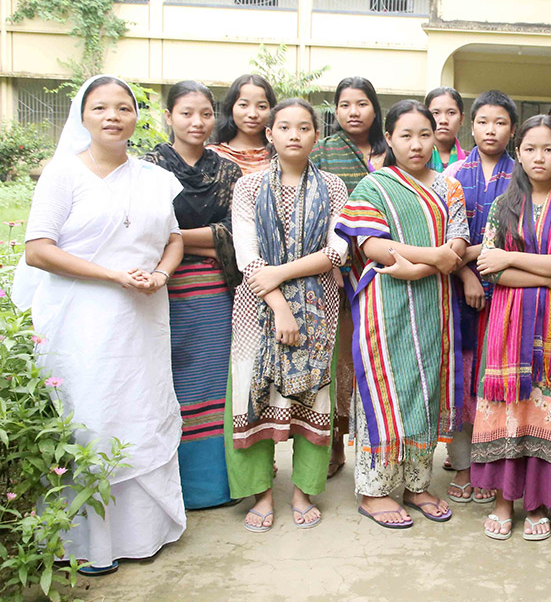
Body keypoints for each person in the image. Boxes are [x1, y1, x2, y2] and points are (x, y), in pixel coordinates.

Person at [14, 75, 186, 575]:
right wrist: (113, 274)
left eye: (124, 108)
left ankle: (146, 532)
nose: (113, 116)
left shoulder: (154, 177)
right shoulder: (63, 174)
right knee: (90, 417)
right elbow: (38, 250)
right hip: (81, 319)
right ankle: (88, 542)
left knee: (139, 410)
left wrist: (160, 273)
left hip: (143, 314)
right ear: (83, 116)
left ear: (137, 117)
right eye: (100, 108)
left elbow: (173, 238)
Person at [336, 100, 470, 529]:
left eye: (425, 135)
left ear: (437, 138)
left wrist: (422, 266)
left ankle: (416, 483)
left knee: (424, 388)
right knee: (384, 389)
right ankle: (374, 490)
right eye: (406, 136)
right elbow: (372, 247)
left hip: (433, 305)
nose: (416, 145)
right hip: (385, 305)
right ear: (388, 139)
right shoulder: (373, 187)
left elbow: (458, 247)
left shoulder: (449, 187)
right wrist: (432, 257)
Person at [224, 98, 349, 533]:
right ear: (270, 133)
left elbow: (338, 251)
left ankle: (303, 490)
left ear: (316, 135)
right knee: (251, 395)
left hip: (320, 307)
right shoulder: (249, 186)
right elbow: (246, 254)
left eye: (304, 127)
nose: (294, 134)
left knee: (313, 396)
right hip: (256, 307)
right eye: (284, 127)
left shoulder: (334, 187)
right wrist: (279, 305)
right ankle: (260, 492)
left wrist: (283, 272)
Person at [471, 114, 551, 542]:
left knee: (546, 407)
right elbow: (488, 267)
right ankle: (504, 500)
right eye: (531, 149)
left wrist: (511, 258)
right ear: (518, 153)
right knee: (508, 410)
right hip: (507, 323)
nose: (539, 157)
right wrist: (548, 279)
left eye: (550, 149)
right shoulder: (505, 204)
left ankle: (537, 502)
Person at [143, 81, 243, 510]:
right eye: (186, 113)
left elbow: (238, 235)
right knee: (165, 384)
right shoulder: (147, 169)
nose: (197, 122)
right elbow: (144, 233)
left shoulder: (227, 171)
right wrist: (189, 241)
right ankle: (166, 487)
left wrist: (176, 238)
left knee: (214, 386)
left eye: (205, 113)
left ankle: (213, 486)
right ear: (168, 117)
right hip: (158, 292)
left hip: (215, 294)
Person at [441, 90, 517, 505]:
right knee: (461, 381)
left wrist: (482, 264)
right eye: (484, 121)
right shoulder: (452, 174)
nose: (491, 129)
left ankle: (492, 468)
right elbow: (443, 240)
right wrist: (468, 272)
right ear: (471, 125)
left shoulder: (522, 175)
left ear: (512, 128)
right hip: (457, 293)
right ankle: (463, 464)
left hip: (509, 293)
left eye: (501, 122)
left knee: (496, 381)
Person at [311, 76, 389, 476]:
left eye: (361, 103)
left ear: (374, 108)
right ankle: (334, 444)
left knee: (377, 359)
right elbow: (322, 213)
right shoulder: (322, 151)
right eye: (344, 105)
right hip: (337, 272)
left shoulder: (390, 150)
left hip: (387, 270)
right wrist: (338, 266)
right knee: (338, 360)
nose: (353, 112)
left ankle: (380, 446)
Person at [208, 74, 277, 175]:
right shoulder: (212, 157)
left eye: (261, 106)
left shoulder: (281, 157)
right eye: (243, 105)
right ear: (231, 107)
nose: (252, 114)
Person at [425, 86, 467, 172]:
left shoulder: (471, 162)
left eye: (451, 113)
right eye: (436, 113)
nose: (443, 120)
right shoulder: (416, 159)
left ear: (461, 118)